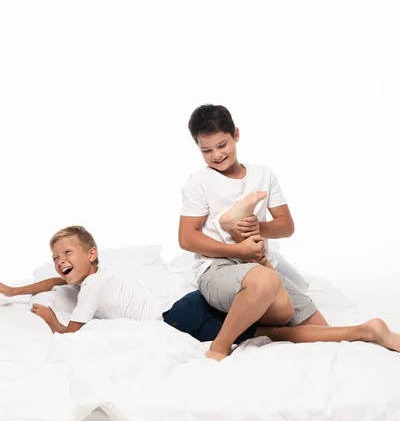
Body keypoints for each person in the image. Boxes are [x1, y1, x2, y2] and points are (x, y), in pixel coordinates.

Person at [178, 104, 400, 360]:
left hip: (258, 261)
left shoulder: (263, 175)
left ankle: (370, 330)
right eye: (206, 150)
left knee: (319, 331)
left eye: (222, 145)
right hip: (219, 268)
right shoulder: (200, 181)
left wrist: (256, 227)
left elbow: (286, 225)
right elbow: (187, 238)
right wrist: (237, 249)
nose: (216, 155)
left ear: (236, 134)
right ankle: (219, 347)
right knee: (272, 292)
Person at [0, 226, 155, 333]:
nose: (60, 261)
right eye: (55, 258)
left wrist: (51, 319)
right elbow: (57, 282)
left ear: (91, 255)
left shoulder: (92, 285)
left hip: (155, 327)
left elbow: (71, 336)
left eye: (68, 252)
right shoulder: (98, 276)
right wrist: (13, 291)